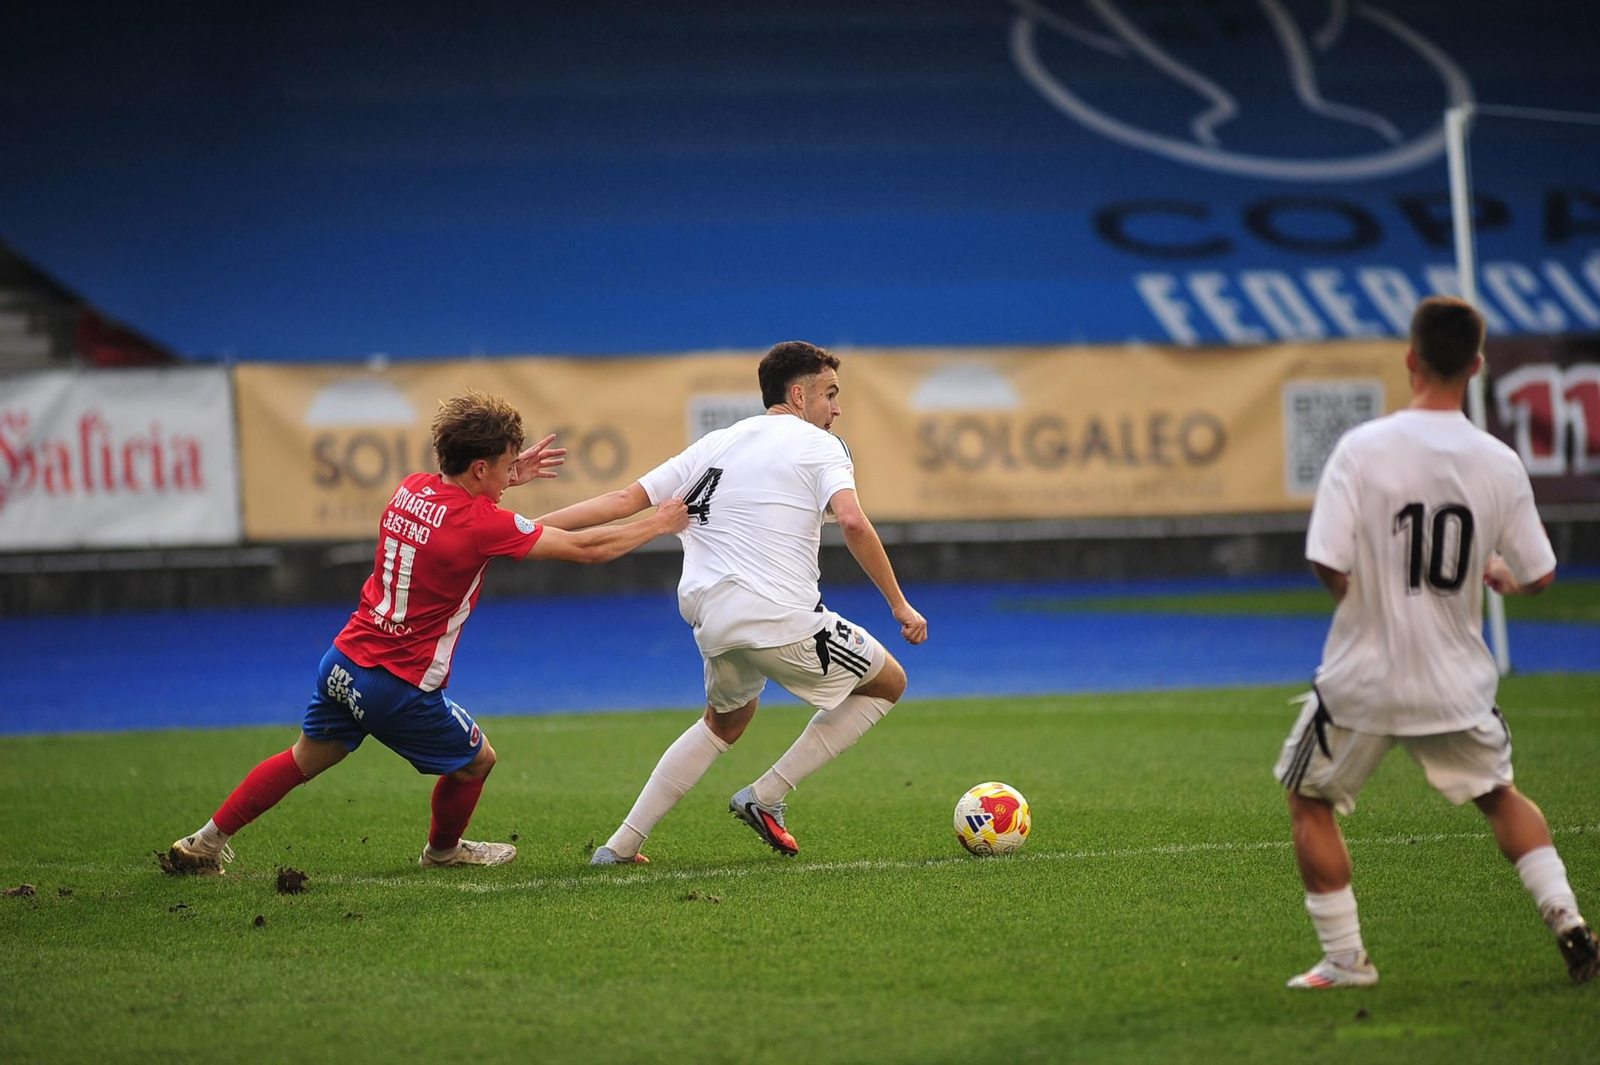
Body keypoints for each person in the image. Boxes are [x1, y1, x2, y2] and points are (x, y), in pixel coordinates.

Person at [163, 390, 689, 873]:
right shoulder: (482, 523)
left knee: (302, 759)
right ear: (480, 466)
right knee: (476, 761)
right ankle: (442, 853)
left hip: (343, 660)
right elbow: (587, 549)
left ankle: (204, 842)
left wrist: (506, 479)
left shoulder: (412, 488)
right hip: (398, 682)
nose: (512, 474)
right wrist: (657, 524)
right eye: (506, 466)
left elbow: (471, 516)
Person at [1276, 296, 1597, 988]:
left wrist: (1364, 606)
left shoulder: (1362, 448)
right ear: (1477, 366)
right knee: (1500, 794)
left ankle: (1345, 959)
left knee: (1308, 798)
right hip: (1456, 679)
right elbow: (1540, 572)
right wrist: (1502, 575)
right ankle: (1569, 920)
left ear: (1410, 359)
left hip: (1366, 673)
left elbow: (1327, 556)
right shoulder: (1498, 461)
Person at [534, 341, 928, 865]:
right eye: (830, 394)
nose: (837, 409)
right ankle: (767, 796)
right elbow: (853, 522)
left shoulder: (715, 443)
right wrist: (900, 605)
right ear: (798, 393)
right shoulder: (821, 445)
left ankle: (620, 847)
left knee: (725, 723)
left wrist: (520, 530)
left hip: (711, 620)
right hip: (780, 621)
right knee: (888, 683)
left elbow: (621, 501)